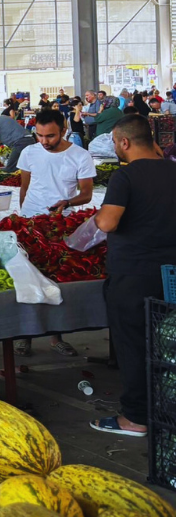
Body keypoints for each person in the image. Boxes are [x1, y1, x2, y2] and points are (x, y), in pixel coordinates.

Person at [90, 115, 176, 436]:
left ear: (124, 142)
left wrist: (96, 219)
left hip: (134, 276)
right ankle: (166, 407)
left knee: (134, 345)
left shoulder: (125, 178)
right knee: (166, 343)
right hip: (170, 274)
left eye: (114, 142)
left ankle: (136, 418)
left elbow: (108, 223)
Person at [12, 110, 95, 357]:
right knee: (26, 277)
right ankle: (23, 335)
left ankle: (55, 335)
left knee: (55, 278)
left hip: (60, 225)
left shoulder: (80, 156)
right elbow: (24, 187)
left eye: (50, 136)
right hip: (30, 223)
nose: (44, 141)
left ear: (64, 129)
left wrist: (67, 203)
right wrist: (22, 218)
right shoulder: (29, 152)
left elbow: (87, 193)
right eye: (39, 135)